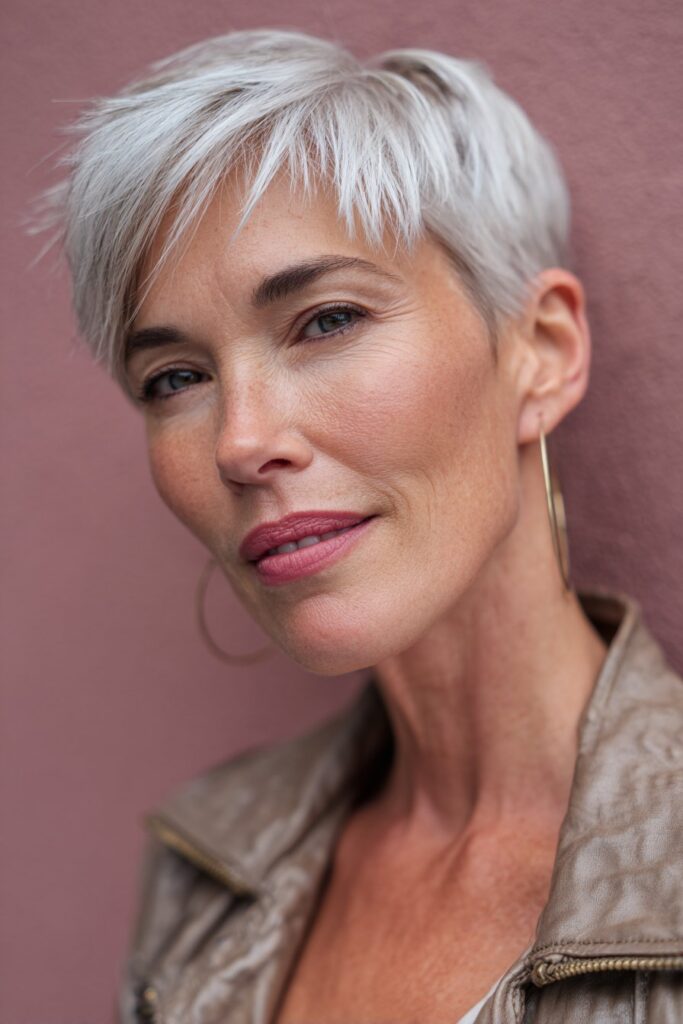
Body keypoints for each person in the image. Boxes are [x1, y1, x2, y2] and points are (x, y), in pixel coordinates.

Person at [39, 28, 682, 1024]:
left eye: (327, 320)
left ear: (539, 350)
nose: (240, 442)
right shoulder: (204, 866)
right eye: (175, 378)